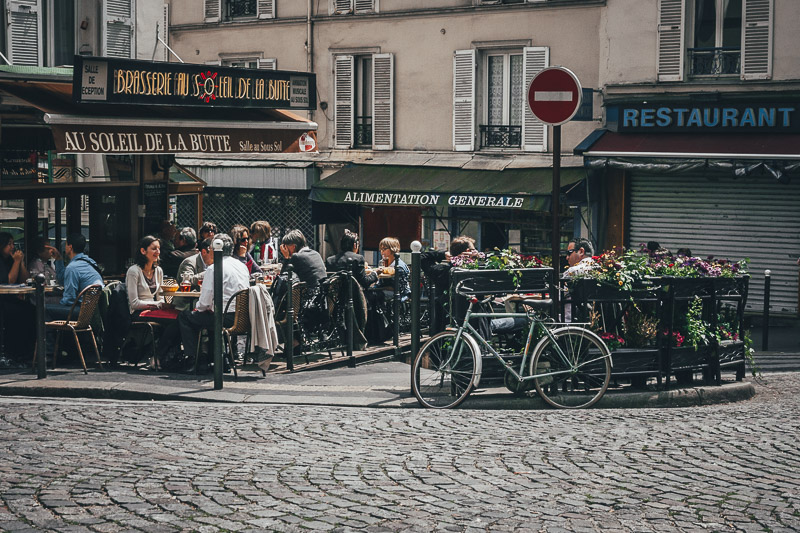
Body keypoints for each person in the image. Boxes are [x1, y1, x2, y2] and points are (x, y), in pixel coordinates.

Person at [177, 234, 249, 365]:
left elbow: (204, 303)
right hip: (243, 317)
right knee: (209, 315)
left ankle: (194, 359)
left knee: (185, 317)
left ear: (216, 249)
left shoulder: (214, 268)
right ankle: (219, 358)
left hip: (223, 317)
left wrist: (199, 308)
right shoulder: (242, 266)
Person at [126, 236, 179, 369]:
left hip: (154, 310)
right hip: (138, 312)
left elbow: (160, 297)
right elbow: (134, 303)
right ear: (143, 251)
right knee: (177, 321)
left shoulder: (158, 271)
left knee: (182, 317)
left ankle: (163, 355)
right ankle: (158, 356)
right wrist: (157, 305)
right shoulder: (133, 271)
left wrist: (162, 304)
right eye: (154, 248)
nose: (158, 252)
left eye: (159, 249)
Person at [420, 235, 479, 334]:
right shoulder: (478, 272)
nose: (476, 252)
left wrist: (442, 254)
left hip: (446, 323)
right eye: (473, 250)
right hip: (474, 324)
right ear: (468, 252)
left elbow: (422, 258)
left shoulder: (442, 271)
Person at [50, 233, 104, 321]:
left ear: (70, 247)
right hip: (95, 310)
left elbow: (69, 299)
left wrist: (58, 303)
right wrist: (59, 259)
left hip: (82, 312)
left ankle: (50, 335)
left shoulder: (72, 267)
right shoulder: (90, 261)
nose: (65, 247)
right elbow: (63, 280)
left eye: (66, 244)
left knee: (43, 309)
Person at [0, 232, 35, 365]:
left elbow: (25, 279)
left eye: (13, 244)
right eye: (9, 244)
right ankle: (12, 350)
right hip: (3, 301)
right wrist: (16, 262)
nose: (12, 247)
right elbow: (8, 281)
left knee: (31, 310)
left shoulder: (10, 259)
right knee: (22, 312)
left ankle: (24, 351)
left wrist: (20, 264)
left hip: (10, 299)